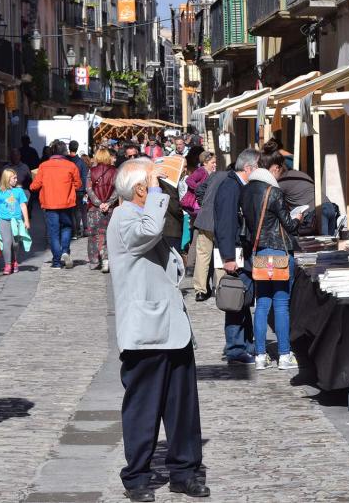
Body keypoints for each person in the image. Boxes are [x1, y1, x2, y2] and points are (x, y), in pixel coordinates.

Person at [107, 158, 209, 502]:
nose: (163, 189)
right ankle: (136, 476)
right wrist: (153, 187)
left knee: (182, 408)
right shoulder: (123, 218)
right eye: (154, 185)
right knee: (143, 408)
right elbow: (149, 231)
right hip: (146, 331)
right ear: (140, 189)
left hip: (172, 328)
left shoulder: (142, 215)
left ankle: (185, 471)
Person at [243, 150, 304, 370]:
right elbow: (289, 225)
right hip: (278, 252)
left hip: (259, 252)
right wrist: (298, 218)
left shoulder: (247, 190)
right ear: (275, 168)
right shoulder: (273, 192)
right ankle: (284, 355)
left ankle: (260, 356)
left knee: (261, 305)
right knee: (281, 304)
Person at [213, 149, 261, 365]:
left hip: (241, 252)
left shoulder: (238, 185)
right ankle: (235, 348)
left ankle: (246, 343)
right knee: (235, 299)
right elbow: (225, 224)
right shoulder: (230, 187)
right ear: (249, 168)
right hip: (234, 253)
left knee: (243, 299)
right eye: (258, 167)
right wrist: (228, 256)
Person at [31, 140, 82, 269]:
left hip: (50, 203)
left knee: (54, 233)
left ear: (52, 151)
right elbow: (78, 184)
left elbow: (35, 186)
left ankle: (56, 262)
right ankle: (65, 250)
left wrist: (32, 185)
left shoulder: (43, 166)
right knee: (66, 227)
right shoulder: (71, 166)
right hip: (66, 203)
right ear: (64, 151)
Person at [191, 166, 228, 302]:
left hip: (205, 219)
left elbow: (199, 190)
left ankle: (200, 291)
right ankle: (220, 288)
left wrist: (204, 204)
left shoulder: (215, 175)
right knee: (222, 255)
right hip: (221, 222)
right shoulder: (233, 179)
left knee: (202, 256)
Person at [0, 168, 31, 274]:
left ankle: (14, 261)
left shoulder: (19, 191)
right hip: (3, 220)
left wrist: (26, 221)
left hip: (16, 220)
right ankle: (7, 264)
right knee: (6, 242)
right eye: (14, 178)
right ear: (7, 179)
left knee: (15, 243)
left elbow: (23, 205)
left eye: (16, 177)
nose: (16, 179)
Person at [87, 147, 118, 272]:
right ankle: (106, 259)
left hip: (94, 209)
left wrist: (99, 203)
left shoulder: (91, 171)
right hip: (110, 209)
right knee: (107, 235)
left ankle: (94, 261)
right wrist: (108, 203)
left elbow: (89, 189)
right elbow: (117, 189)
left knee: (93, 235)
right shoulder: (115, 171)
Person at [68, 141, 90, 238]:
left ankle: (74, 231)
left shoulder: (66, 161)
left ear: (69, 148)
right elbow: (84, 177)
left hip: (68, 189)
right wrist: (86, 190)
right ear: (77, 148)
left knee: (71, 211)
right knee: (79, 210)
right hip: (79, 189)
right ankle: (77, 230)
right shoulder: (81, 162)